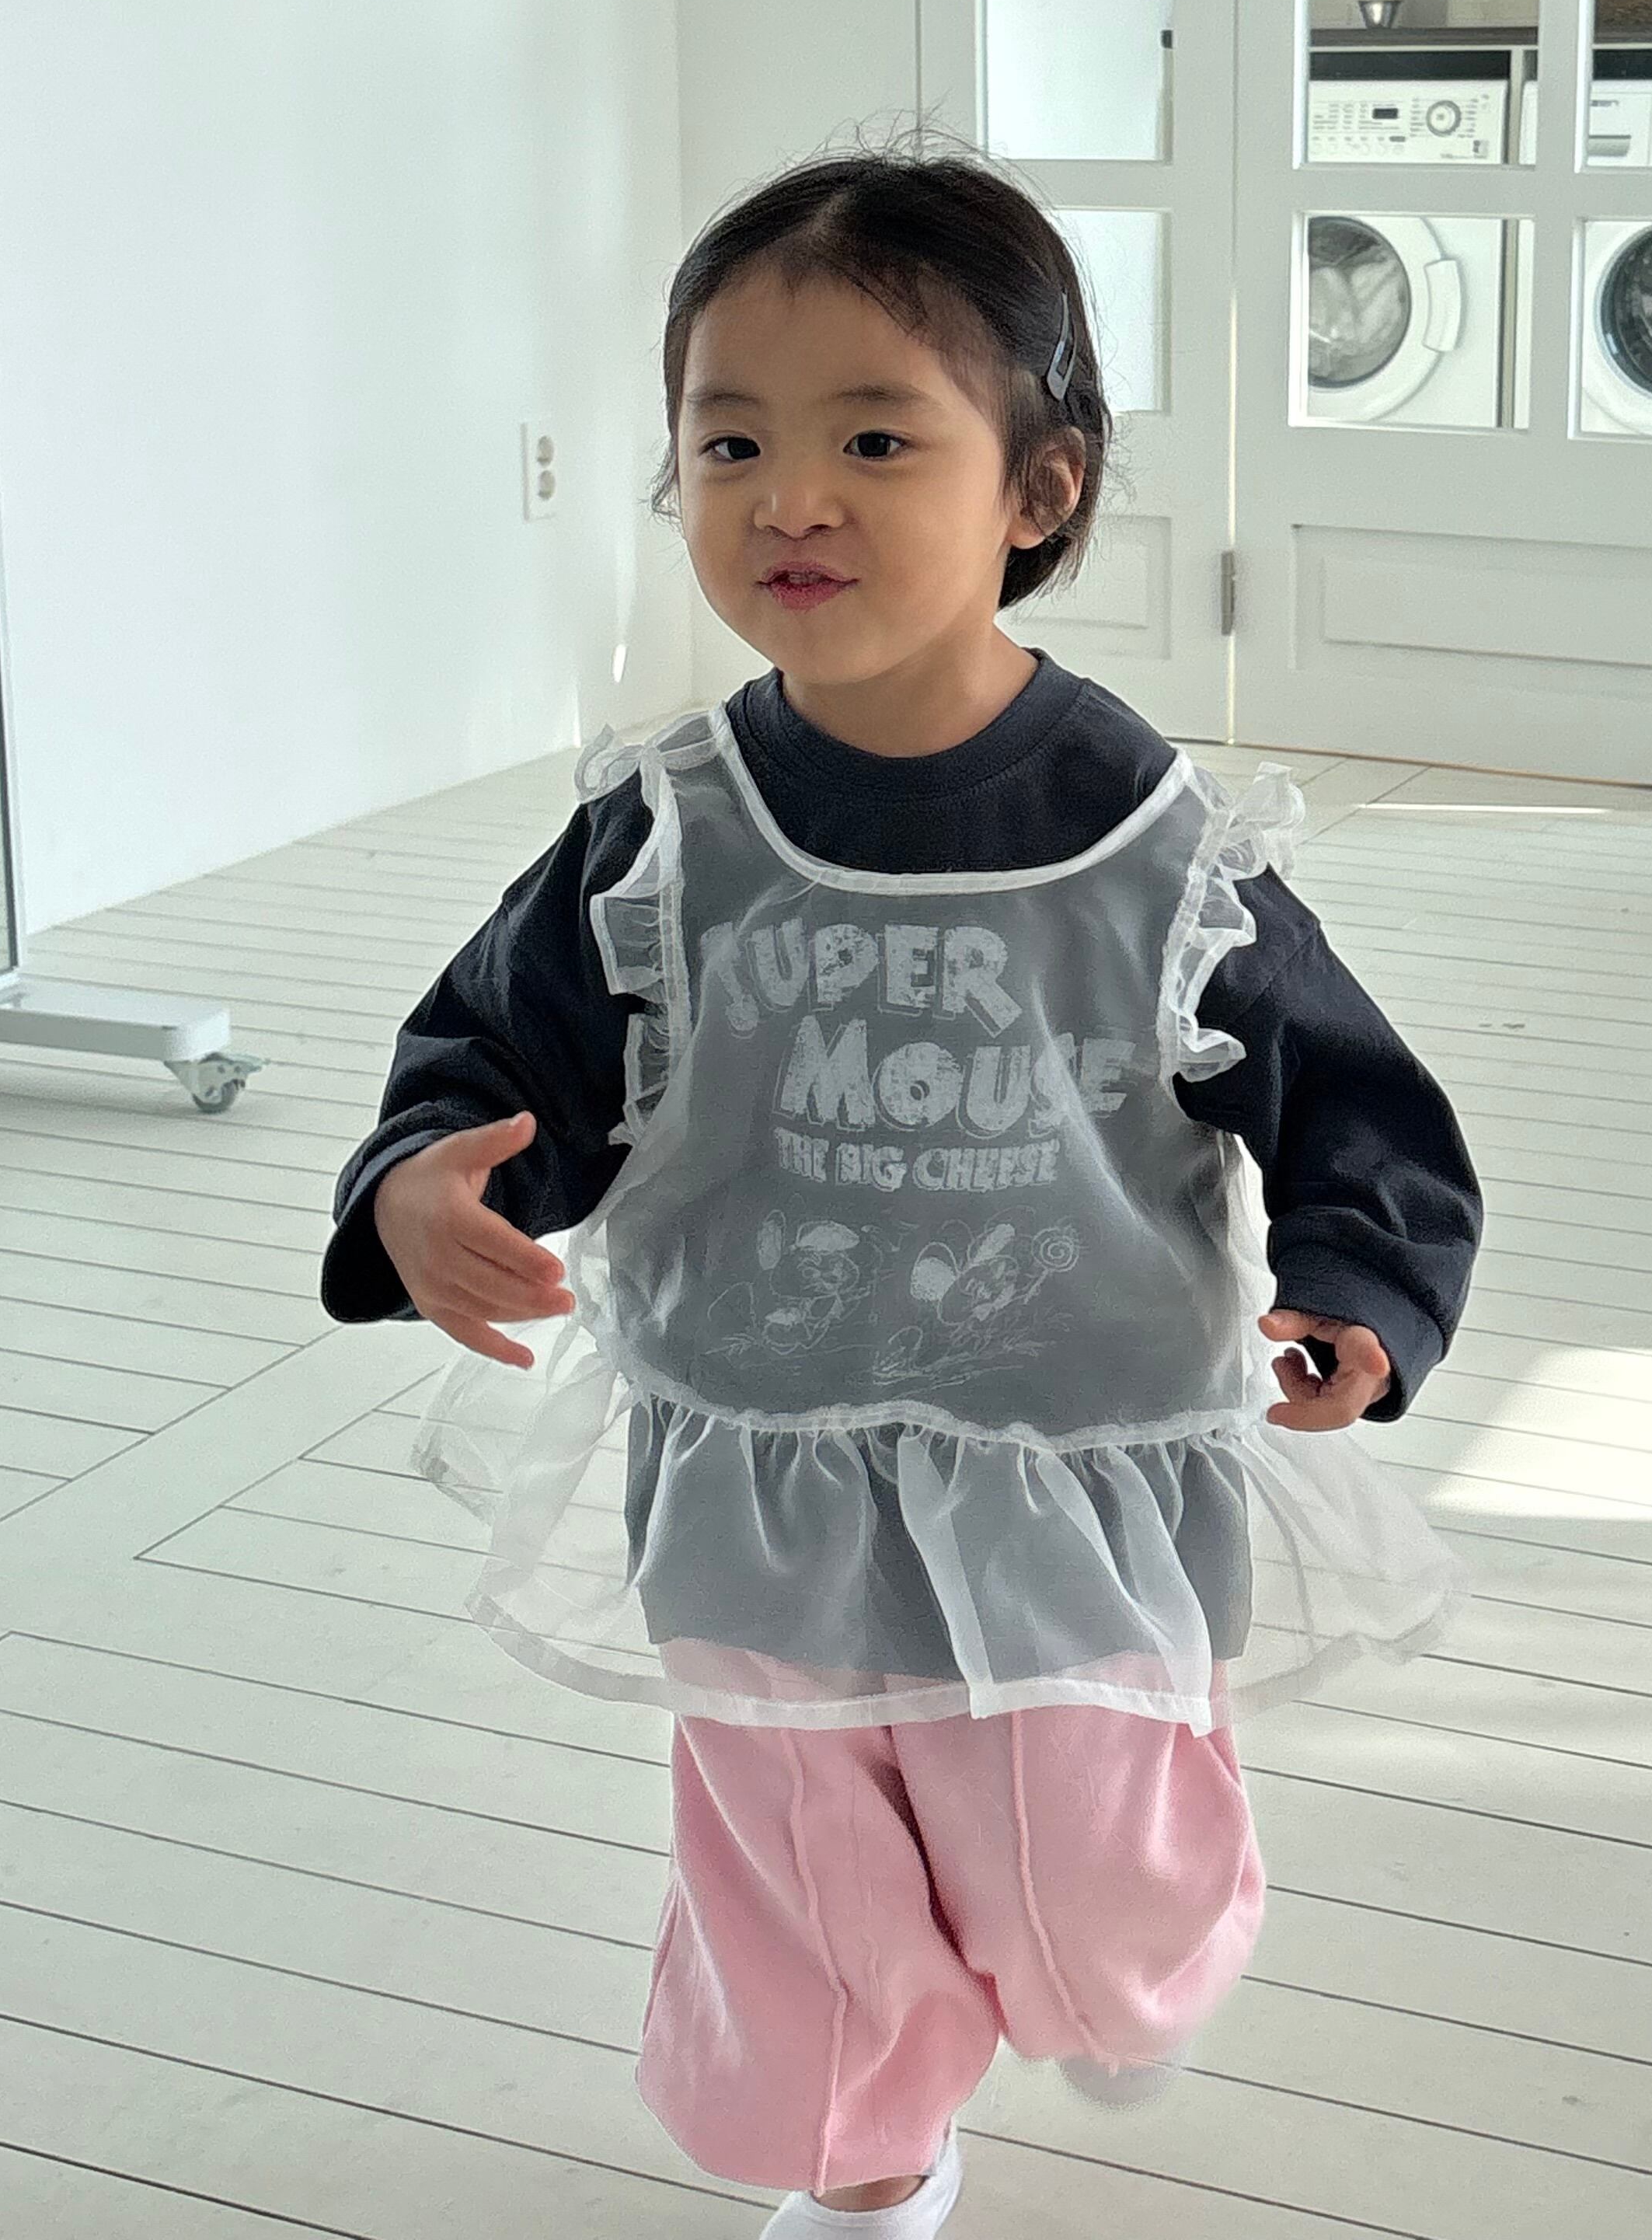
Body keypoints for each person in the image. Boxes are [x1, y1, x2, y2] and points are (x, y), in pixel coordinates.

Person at [320, 141, 1483, 2238]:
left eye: (874, 438)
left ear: (1038, 487)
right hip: (759, 1449)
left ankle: (1103, 1967)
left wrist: (1363, 1285)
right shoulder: (670, 826)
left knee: (1090, 1872)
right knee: (799, 1876)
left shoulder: (1150, 834)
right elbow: (501, 1049)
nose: (792, 498)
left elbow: (1350, 1096)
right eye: (731, 442)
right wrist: (424, 1179)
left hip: (1071, 1453)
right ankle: (866, 2163)